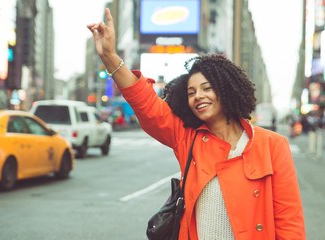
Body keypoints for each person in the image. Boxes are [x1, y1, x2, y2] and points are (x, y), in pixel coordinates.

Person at [87, 8, 306, 240]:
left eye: (207, 88)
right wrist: (110, 57)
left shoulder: (273, 145)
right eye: (191, 92)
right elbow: (146, 104)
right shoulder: (187, 138)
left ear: (227, 89)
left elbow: (289, 222)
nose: (198, 96)